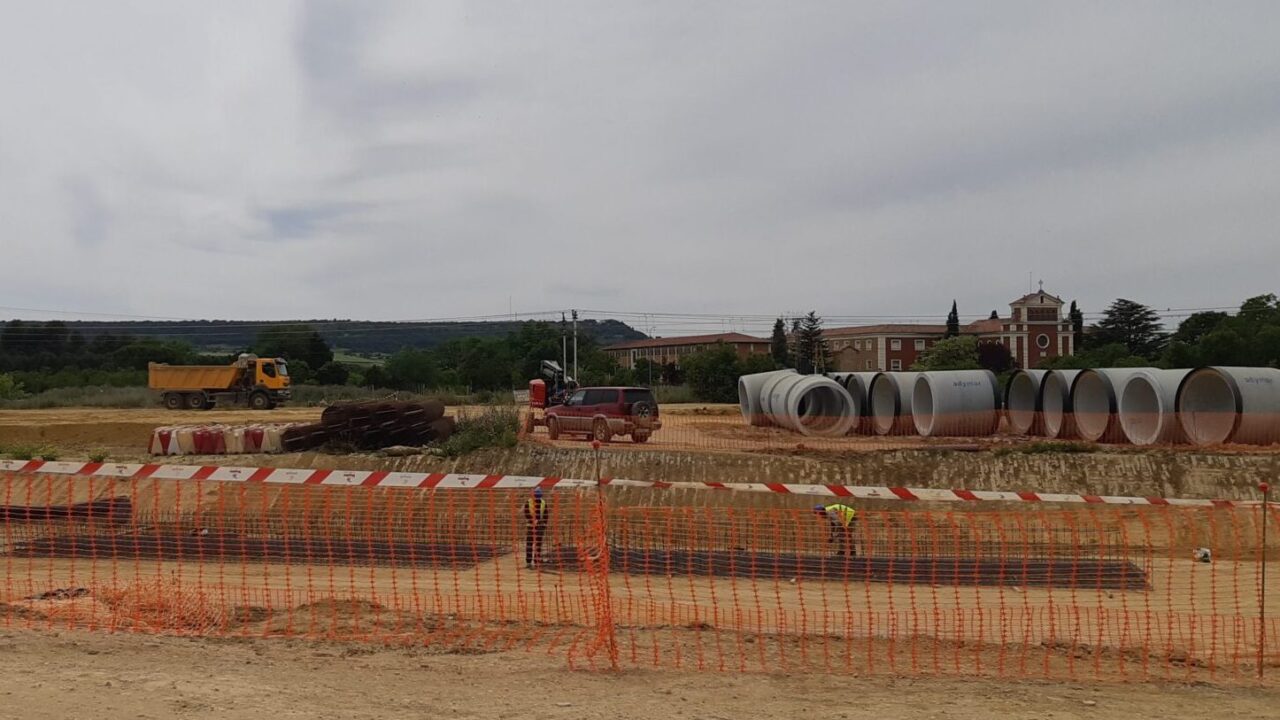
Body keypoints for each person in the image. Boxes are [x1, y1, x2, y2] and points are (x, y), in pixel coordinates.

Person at [523, 488, 550, 569]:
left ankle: (536, 562)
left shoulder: (543, 502)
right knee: (529, 545)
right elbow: (526, 513)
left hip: (540, 526)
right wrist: (533, 520)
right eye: (536, 496)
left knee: (538, 545)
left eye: (538, 496)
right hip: (531, 526)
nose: (537, 498)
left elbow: (546, 514)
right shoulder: (528, 502)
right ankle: (528, 562)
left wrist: (544, 524)